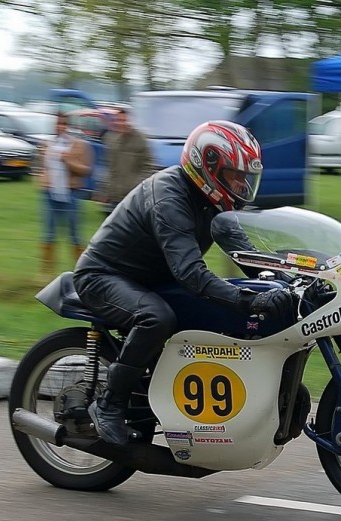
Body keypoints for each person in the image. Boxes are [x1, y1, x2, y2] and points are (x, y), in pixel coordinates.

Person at [72, 121, 296, 445]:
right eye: (236, 175)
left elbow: (246, 255)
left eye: (246, 177)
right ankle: (109, 404)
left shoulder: (214, 202)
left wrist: (290, 283)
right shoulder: (170, 198)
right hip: (105, 276)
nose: (243, 184)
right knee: (157, 317)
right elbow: (190, 273)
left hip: (153, 279)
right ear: (209, 169)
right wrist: (249, 301)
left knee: (209, 314)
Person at [36, 113, 94, 275]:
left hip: (71, 194)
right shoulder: (48, 144)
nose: (60, 127)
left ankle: (81, 271)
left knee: (75, 234)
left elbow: (86, 170)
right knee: (48, 233)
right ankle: (46, 271)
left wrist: (67, 160)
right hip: (50, 193)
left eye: (63, 124)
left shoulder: (80, 146)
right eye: (57, 124)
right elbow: (41, 166)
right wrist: (42, 178)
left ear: (67, 126)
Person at [99, 107, 155, 212]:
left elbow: (148, 166)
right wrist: (105, 191)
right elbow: (109, 167)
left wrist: (137, 187)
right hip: (115, 195)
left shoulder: (140, 139)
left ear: (129, 121)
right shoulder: (110, 139)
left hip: (133, 196)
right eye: (118, 120)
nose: (120, 123)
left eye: (123, 120)